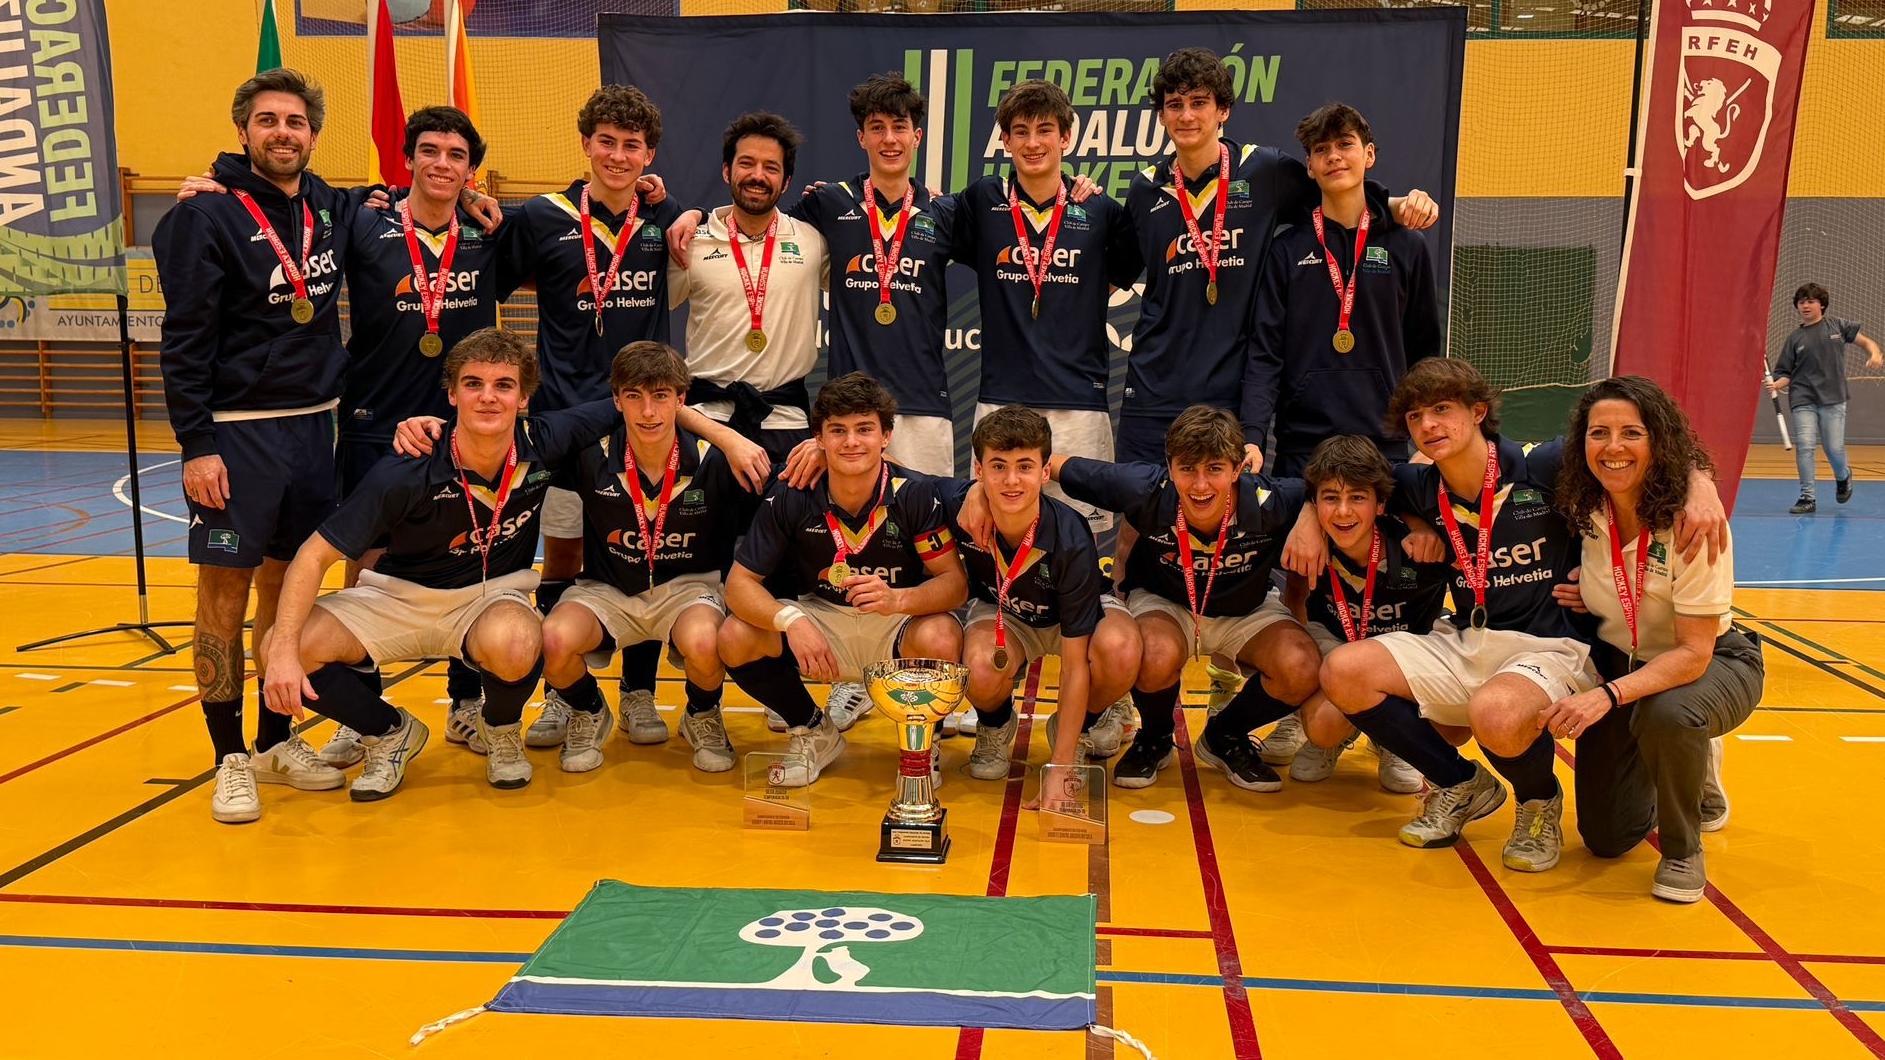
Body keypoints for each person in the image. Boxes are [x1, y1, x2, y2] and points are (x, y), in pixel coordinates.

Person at [1309, 358, 1725, 872]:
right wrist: (1322, 521)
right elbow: (1341, 479)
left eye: (1443, 410)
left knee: (1497, 713)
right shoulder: (1417, 484)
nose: (1429, 425)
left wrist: (1700, 483)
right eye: (1416, 417)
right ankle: (1460, 783)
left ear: (1478, 412)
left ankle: (1537, 802)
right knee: (1343, 670)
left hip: (1553, 647)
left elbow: (1635, 452)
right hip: (1468, 638)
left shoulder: (1542, 464)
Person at [260, 328, 618, 799]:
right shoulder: (408, 467)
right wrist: (284, 653)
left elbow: (641, 403)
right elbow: (312, 556)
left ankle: (501, 730)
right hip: (399, 598)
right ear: (451, 394)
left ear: (524, 397)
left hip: (490, 597)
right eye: (473, 384)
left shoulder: (546, 442)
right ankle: (389, 732)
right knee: (279, 646)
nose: (488, 397)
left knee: (517, 640)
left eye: (503, 385)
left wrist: (715, 435)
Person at [154, 69, 360, 823]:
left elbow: (401, 205)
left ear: (313, 134)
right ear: (243, 130)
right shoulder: (205, 214)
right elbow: (184, 339)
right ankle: (228, 757)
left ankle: (275, 741)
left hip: (314, 428)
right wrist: (196, 444)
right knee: (223, 597)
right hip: (237, 436)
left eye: (295, 122)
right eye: (268, 120)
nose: (283, 133)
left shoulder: (328, 206)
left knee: (287, 591)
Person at [498, 84, 693, 753]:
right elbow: (486, 274)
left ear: (649, 154)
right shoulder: (541, 216)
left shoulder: (661, 220)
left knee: (644, 549)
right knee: (563, 551)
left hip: (642, 416)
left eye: (631, 145)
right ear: (585, 144)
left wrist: (677, 206)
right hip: (563, 416)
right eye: (605, 141)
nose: (617, 155)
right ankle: (563, 693)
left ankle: (638, 691)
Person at [1548, 375, 1763, 902]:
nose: (1613, 447)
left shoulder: (1693, 522)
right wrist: (1591, 592)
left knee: (1668, 715)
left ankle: (1683, 848)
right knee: (1606, 838)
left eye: (1632, 433)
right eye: (1599, 433)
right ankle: (1673, 763)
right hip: (1627, 663)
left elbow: (1693, 653)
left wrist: (1606, 696)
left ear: (1658, 441)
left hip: (1711, 664)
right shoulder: (1585, 504)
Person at [1036, 406, 1318, 790]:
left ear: (1238, 469)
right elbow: (1049, 464)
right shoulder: (1144, 487)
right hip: (1166, 603)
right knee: (1151, 653)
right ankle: (1154, 737)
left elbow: (1338, 486)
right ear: (1169, 467)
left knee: (1302, 665)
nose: (1200, 485)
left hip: (1246, 610)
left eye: (1214, 469)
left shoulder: (1273, 500)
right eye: (1187, 469)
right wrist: (978, 493)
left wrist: (1311, 512)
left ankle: (1225, 736)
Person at [718, 373, 966, 787]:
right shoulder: (793, 493)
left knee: (941, 636)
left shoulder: (915, 494)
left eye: (864, 429)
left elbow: (954, 585)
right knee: (735, 635)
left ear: (886, 436)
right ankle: (814, 732)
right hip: (822, 619)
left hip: (895, 622)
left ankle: (921, 748)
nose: (851, 442)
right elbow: (739, 585)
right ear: (818, 438)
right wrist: (790, 621)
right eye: (838, 431)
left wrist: (899, 600)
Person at [538, 342, 761, 773]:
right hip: (606, 591)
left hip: (687, 591)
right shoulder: (589, 454)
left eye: (660, 396)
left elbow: (785, 494)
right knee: (552, 639)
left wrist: (817, 450)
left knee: (707, 641)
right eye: (634, 396)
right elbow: (512, 444)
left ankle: (701, 713)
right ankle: (589, 710)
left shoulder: (717, 459)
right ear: (616, 400)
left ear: (681, 400)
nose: (647, 412)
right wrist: (437, 430)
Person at [951, 79, 1142, 537]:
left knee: (1082, 535)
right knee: (999, 531)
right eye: (1020, 131)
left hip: (1079, 402)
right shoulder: (982, 200)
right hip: (1001, 397)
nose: (1033, 143)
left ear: (1066, 137)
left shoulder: (1100, 210)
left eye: (1045, 130)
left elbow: (1121, 271)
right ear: (1005, 140)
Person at [1242, 102, 1442, 477]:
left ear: (1369, 155)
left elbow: (1424, 352)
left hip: (1384, 444)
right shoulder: (1286, 251)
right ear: (1309, 166)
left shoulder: (1407, 246)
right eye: (1321, 149)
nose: (1333, 156)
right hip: (1302, 448)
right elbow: (1265, 354)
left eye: (1345, 144)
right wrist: (1252, 435)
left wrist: (1433, 437)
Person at [943, 406, 1141, 782]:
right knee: (980, 667)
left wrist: (1061, 765)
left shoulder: (1070, 536)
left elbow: (1074, 666)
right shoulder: (957, 505)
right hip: (1005, 610)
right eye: (998, 466)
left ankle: (1076, 727)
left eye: (1025, 466)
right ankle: (995, 724)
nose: (1011, 480)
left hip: (1073, 614)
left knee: (1120, 649)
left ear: (1045, 472)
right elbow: (897, 478)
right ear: (978, 470)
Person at [1283, 436, 1448, 793]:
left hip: (1403, 655)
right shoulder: (1308, 541)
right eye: (1331, 498)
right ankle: (1342, 735)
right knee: (1324, 724)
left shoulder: (1419, 544)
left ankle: (1396, 740)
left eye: (1357, 498)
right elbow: (1295, 595)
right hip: (1336, 644)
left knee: (1454, 724)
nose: (1343, 512)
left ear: (1381, 504)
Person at [1768, 282, 1882, 514]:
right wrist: (1777, 383)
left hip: (1833, 398)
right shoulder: (1794, 338)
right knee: (1805, 446)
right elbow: (1784, 373)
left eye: (1810, 301)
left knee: (1833, 448)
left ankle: (1843, 476)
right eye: (1801, 302)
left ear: (1821, 305)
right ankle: (1807, 497)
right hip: (1803, 398)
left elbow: (1865, 342)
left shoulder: (1837, 326)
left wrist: (1875, 353)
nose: (1805, 306)